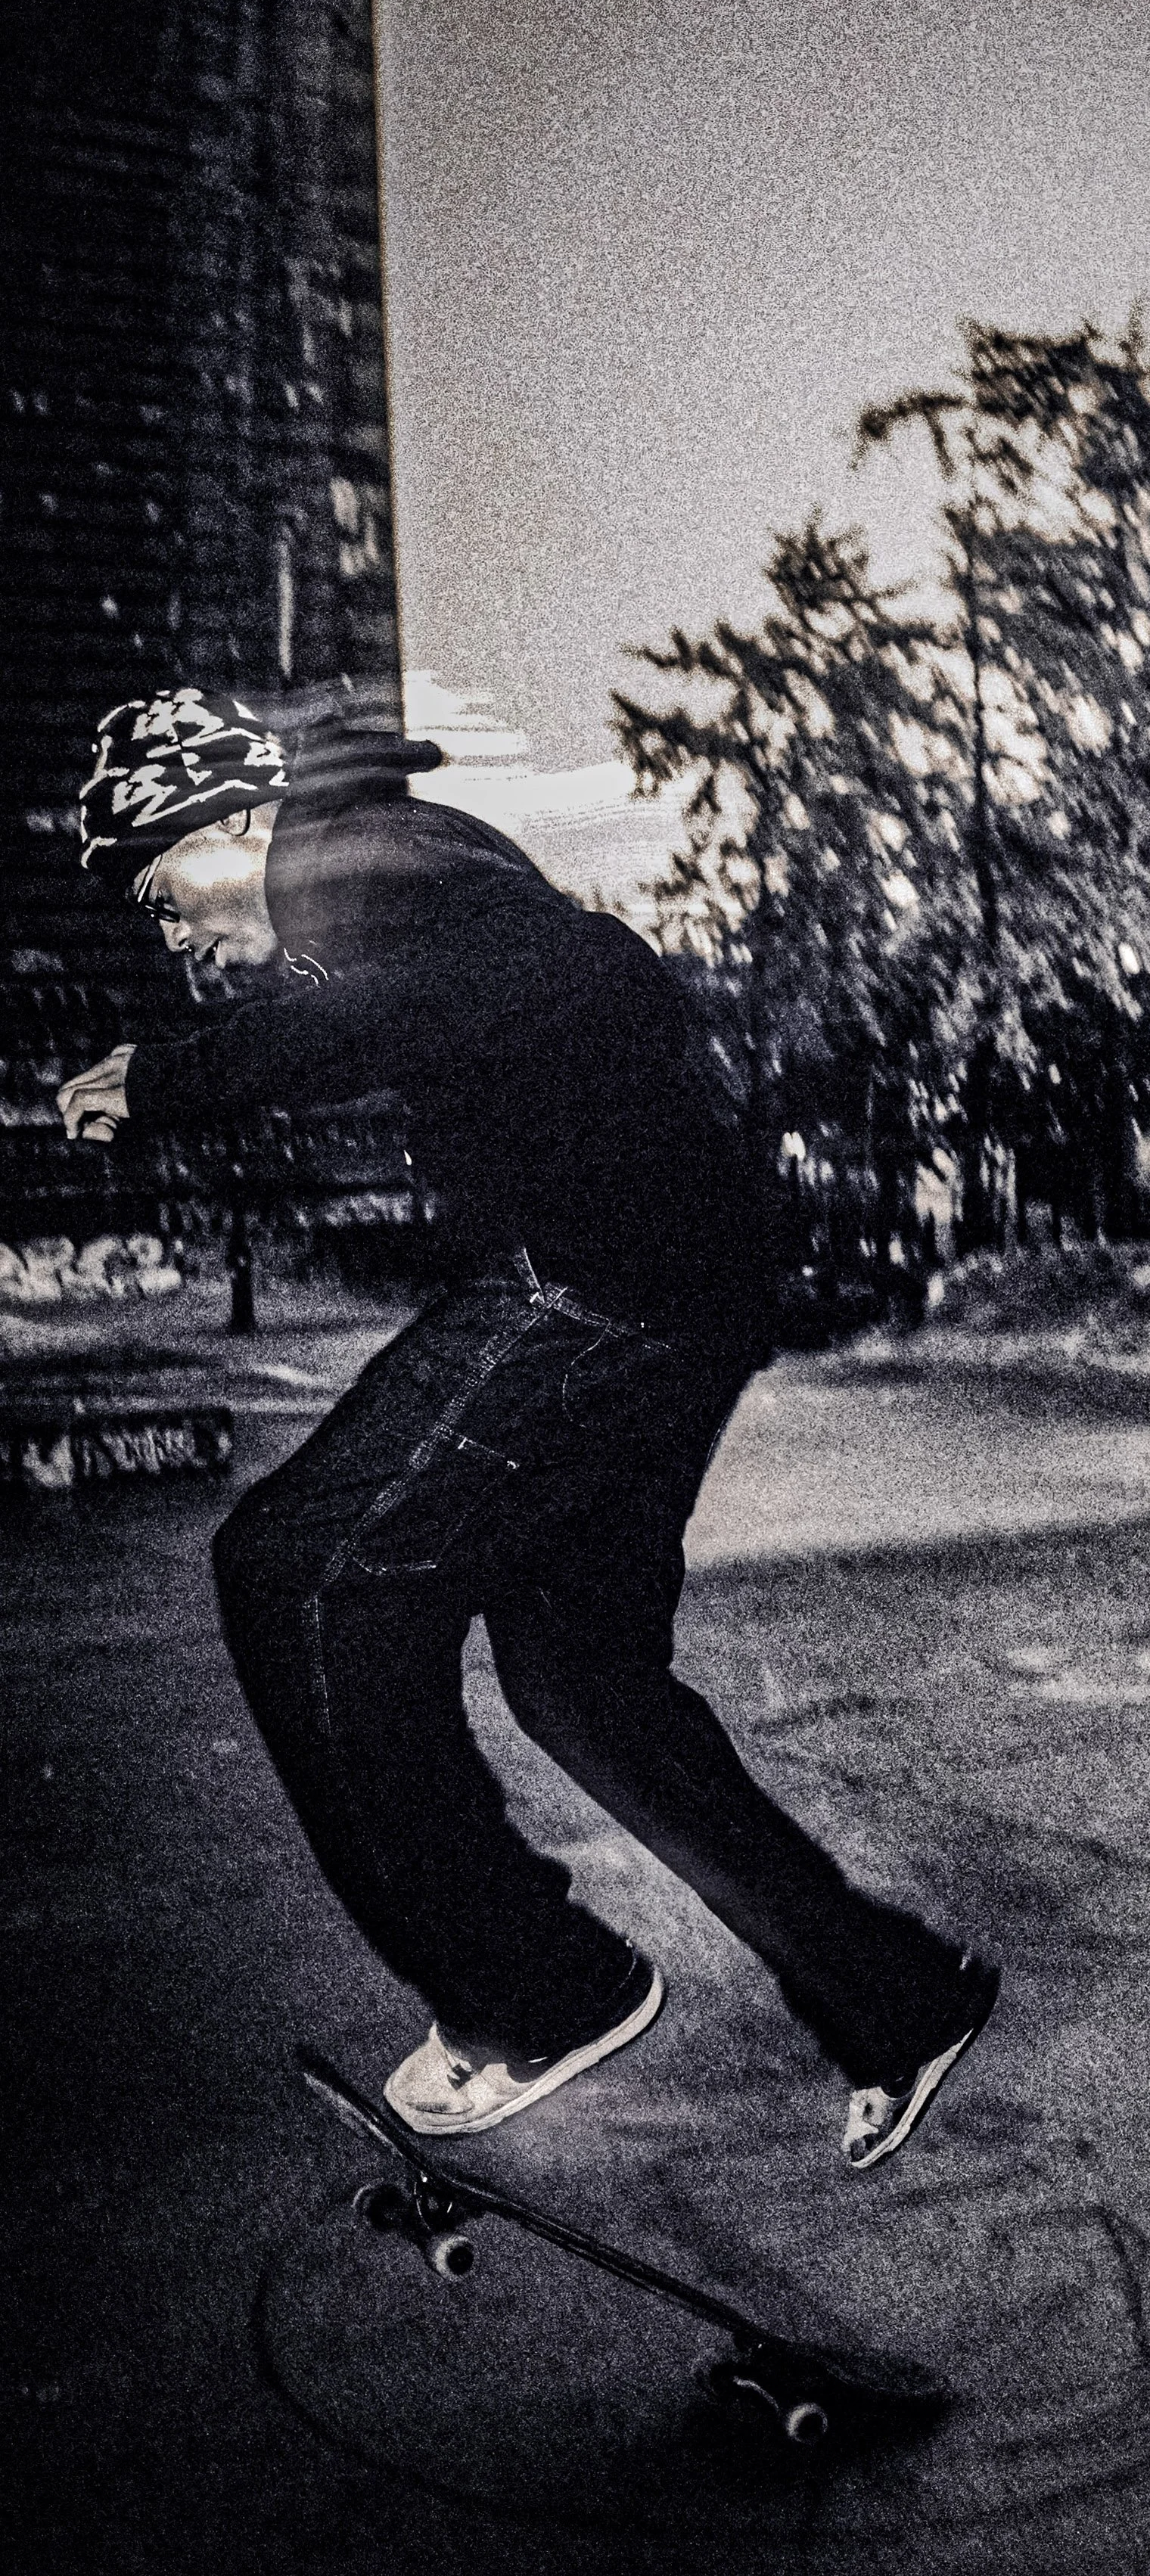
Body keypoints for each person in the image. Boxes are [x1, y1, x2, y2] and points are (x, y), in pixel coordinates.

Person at [58, 687, 998, 2163]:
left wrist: (190, 1081)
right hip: (680, 1282)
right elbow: (496, 1005)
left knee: (300, 1574)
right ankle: (894, 1996)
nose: (165, 930)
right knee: (583, 1687)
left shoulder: (350, 854)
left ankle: (535, 1991)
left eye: (160, 885)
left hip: (603, 1285)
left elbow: (543, 978)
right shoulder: (391, 873)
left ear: (232, 821)